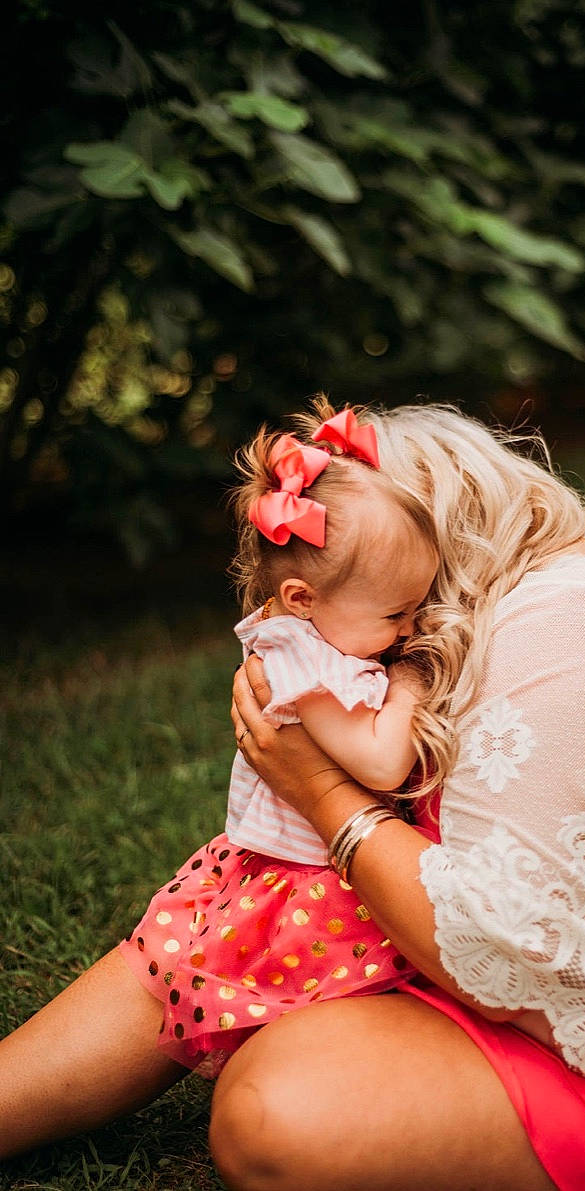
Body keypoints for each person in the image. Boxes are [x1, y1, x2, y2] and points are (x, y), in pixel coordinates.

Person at [1, 400, 585, 1191]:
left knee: (274, 1109)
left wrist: (324, 793)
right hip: (518, 970)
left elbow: (513, 957)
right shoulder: (483, 618)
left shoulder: (565, 627)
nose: (402, 624)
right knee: (210, 922)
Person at [116, 407, 441, 1074]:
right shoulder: (298, 661)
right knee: (319, 1019)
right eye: (396, 614)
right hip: (312, 884)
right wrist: (415, 675)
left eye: (418, 609)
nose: (411, 629)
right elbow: (380, 760)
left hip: (331, 862)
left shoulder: (328, 631)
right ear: (301, 598)